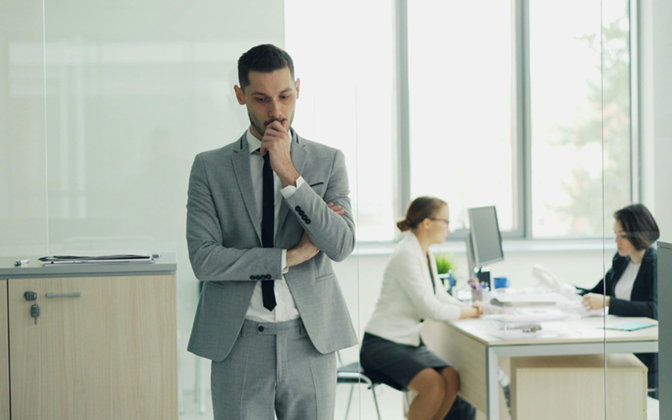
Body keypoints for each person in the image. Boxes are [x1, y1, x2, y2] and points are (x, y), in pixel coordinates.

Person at [186, 44, 357, 420]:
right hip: (239, 341)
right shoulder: (209, 168)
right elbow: (204, 260)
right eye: (261, 99)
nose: (276, 111)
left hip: (311, 340)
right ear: (239, 95)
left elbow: (341, 244)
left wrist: (290, 175)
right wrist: (290, 257)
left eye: (285, 96)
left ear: (298, 88)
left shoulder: (328, 161)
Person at [361, 197, 482, 420]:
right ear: (427, 223)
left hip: (407, 342)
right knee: (434, 386)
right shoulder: (406, 253)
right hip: (380, 345)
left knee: (451, 379)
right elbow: (432, 309)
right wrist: (472, 312)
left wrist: (469, 307)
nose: (448, 227)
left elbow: (438, 293)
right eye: (445, 221)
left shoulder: (424, 252)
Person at [580, 203, 659, 397]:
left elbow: (654, 309)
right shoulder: (621, 259)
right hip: (620, 339)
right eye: (616, 234)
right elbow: (598, 291)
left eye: (622, 235)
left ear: (638, 233)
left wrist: (608, 302)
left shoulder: (656, 263)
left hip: (643, 349)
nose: (617, 241)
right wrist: (569, 292)